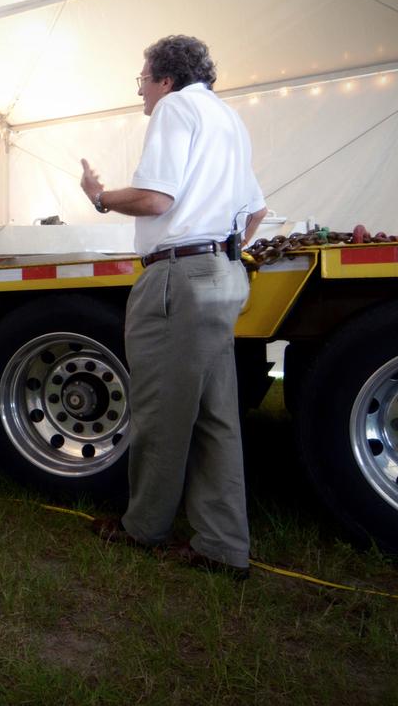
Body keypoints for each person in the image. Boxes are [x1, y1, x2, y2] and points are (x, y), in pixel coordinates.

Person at [80, 35, 266, 579]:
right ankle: (223, 543)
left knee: (161, 411)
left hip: (178, 277)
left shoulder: (174, 108)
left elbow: (157, 199)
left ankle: (144, 527)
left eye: (142, 80)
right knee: (215, 417)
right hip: (224, 272)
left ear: (164, 78)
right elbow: (256, 210)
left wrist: (99, 195)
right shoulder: (228, 118)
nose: (141, 91)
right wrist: (223, 247)